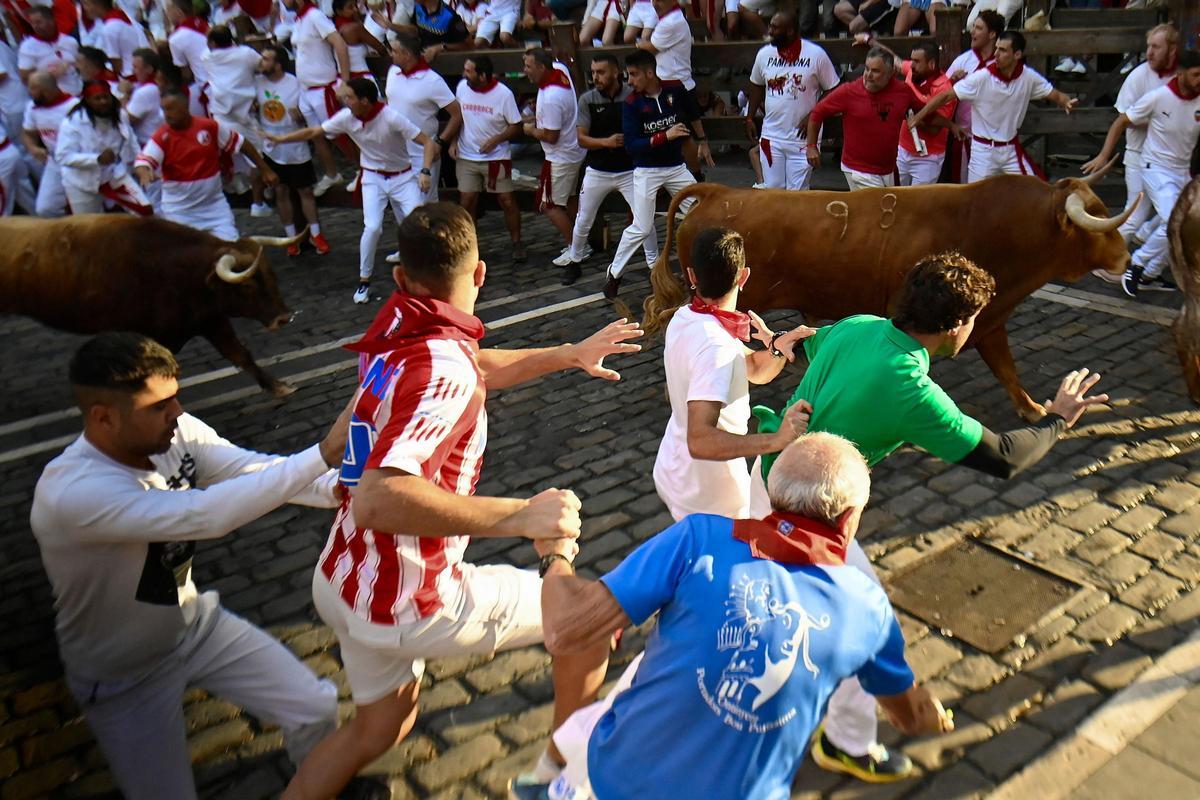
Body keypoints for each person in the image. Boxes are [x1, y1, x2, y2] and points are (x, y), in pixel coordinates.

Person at [279, 202, 644, 800]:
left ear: (402, 279)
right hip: (409, 599)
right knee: (587, 626)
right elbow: (379, 498)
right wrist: (521, 515)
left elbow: (468, 368)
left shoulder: (400, 332)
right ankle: (552, 782)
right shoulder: (442, 362)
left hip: (342, 582)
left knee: (379, 728)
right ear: (480, 275)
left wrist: (567, 353)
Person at [749, 252, 1108, 781]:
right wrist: (1057, 419)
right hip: (808, 518)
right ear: (957, 326)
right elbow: (1004, 456)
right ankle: (846, 741)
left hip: (768, 475)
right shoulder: (912, 391)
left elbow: (811, 347)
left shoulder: (860, 326)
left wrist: (789, 344)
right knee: (858, 626)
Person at [512, 432, 952, 800]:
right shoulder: (866, 605)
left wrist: (555, 556)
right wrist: (929, 716)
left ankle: (543, 781)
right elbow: (909, 715)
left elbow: (566, 629)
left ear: (773, 494)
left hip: (613, 782)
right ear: (850, 517)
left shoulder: (698, 537)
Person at [29, 332, 350, 800]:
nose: (177, 413)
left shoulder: (175, 431)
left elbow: (252, 472)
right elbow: (205, 514)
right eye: (159, 405)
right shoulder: (71, 493)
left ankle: (322, 788)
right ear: (103, 418)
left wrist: (339, 488)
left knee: (315, 707)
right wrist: (322, 454)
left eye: (177, 398)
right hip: (123, 673)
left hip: (195, 625)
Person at [645, 227, 814, 522]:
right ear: (743, 276)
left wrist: (775, 347)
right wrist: (778, 439)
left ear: (692, 275)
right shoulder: (715, 344)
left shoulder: (688, 316)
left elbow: (751, 369)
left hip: (675, 471)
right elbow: (701, 440)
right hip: (710, 498)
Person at [267, 77, 437, 304]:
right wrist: (280, 138)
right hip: (373, 177)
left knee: (417, 224)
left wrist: (425, 171)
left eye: (349, 97)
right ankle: (364, 280)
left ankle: (427, 275)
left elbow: (428, 142)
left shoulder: (391, 117)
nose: (344, 100)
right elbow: (313, 132)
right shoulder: (347, 118)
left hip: (403, 177)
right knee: (373, 226)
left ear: (365, 101)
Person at [1082, 49, 1200, 298]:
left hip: (1183, 172)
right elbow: (1121, 121)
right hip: (1155, 169)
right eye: (1197, 74)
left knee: (1189, 226)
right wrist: (1104, 156)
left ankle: (1149, 274)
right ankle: (1137, 263)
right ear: (1181, 73)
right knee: (1172, 221)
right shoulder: (1158, 97)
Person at [912, 31, 1076, 183]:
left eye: (1003, 50)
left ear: (1017, 54)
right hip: (983, 151)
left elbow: (1053, 93)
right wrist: (919, 117)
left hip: (1010, 148)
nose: (996, 54)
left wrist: (1065, 101)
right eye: (996, 48)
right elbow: (945, 96)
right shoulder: (982, 77)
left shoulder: (1028, 77)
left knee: (1033, 190)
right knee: (977, 200)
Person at [602, 49, 700, 299]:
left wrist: (704, 141)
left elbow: (694, 114)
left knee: (701, 211)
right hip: (646, 170)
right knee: (642, 227)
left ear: (649, 72)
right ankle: (614, 274)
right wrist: (662, 137)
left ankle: (701, 270)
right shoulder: (632, 103)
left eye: (634, 75)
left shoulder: (675, 90)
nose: (630, 81)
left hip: (676, 167)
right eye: (628, 75)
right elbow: (632, 145)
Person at [555, 54, 656, 284]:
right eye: (593, 72)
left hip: (630, 170)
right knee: (583, 219)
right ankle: (575, 260)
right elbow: (581, 138)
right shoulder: (587, 99)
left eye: (600, 72)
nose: (595, 77)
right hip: (598, 169)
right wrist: (606, 142)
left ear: (615, 72)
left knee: (644, 219)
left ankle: (654, 264)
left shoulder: (632, 96)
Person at [134, 89, 279, 241]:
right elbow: (144, 160)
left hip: (214, 207)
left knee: (230, 248)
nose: (166, 114)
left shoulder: (209, 127)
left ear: (184, 108)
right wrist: (144, 172)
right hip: (179, 212)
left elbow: (241, 143)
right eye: (163, 109)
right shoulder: (162, 136)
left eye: (170, 109)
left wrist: (265, 169)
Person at [806, 47, 924, 190]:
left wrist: (947, 124)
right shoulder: (849, 91)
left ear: (890, 73)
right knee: (876, 210)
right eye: (867, 69)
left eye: (875, 71)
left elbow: (923, 110)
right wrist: (811, 146)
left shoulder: (903, 91)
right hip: (858, 170)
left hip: (889, 168)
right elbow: (817, 112)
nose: (868, 75)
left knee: (887, 210)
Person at [1106, 23, 1178, 257]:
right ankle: (1107, 258)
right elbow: (1123, 117)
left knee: (1175, 209)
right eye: (1149, 46)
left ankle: (1143, 243)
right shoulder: (1138, 76)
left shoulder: (1182, 76)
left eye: (1156, 47)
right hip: (1139, 155)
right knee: (1134, 213)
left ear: (1172, 49)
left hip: (1170, 159)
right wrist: (1162, 122)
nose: (1150, 52)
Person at [745, 10, 838, 191]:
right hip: (772, 136)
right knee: (772, 190)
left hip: (802, 139)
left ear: (790, 31)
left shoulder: (816, 54)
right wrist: (749, 116)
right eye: (770, 26)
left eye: (775, 28)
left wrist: (813, 115)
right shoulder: (764, 54)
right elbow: (756, 84)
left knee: (798, 195)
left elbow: (833, 89)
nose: (770, 31)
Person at [256, 43, 331, 256]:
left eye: (266, 59)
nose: (262, 63)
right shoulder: (256, 83)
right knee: (280, 191)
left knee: (305, 190)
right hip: (271, 146)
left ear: (278, 64)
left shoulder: (295, 83)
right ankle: (290, 238)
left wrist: (300, 115)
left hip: (295, 145)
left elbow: (307, 112)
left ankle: (316, 234)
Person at [452, 55, 526, 261]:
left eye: (469, 71)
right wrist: (452, 142)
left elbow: (516, 126)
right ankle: (470, 247)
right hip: (467, 155)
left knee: (506, 200)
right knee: (466, 201)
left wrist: (497, 139)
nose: (464, 74)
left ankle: (517, 242)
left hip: (496, 157)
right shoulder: (461, 88)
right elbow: (457, 118)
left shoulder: (503, 94)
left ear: (482, 75)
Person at [864, 35, 957, 186]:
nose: (911, 65)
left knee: (917, 205)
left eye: (917, 61)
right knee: (894, 197)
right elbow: (894, 60)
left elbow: (934, 129)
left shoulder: (944, 89)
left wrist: (905, 112)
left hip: (928, 159)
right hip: (902, 150)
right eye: (912, 60)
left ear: (932, 64)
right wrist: (869, 40)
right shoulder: (912, 72)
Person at [283, 0, 352, 197]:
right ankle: (331, 173)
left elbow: (339, 43)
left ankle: (360, 170)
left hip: (323, 86)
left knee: (339, 134)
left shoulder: (315, 16)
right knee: (316, 135)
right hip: (306, 89)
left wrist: (344, 80)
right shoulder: (299, 19)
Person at [523, 48, 586, 264]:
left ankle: (576, 247)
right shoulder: (560, 69)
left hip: (561, 156)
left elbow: (550, 135)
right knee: (568, 199)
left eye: (529, 66)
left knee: (550, 205)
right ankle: (581, 241)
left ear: (542, 67)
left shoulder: (551, 98)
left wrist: (531, 130)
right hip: (572, 150)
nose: (525, 71)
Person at [384, 32, 462, 204]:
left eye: (394, 51)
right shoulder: (392, 72)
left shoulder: (432, 81)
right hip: (396, 152)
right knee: (399, 204)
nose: (391, 54)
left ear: (407, 54)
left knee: (424, 206)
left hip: (422, 154)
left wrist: (440, 142)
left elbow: (457, 114)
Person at [637, 0, 711, 176]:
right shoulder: (669, 18)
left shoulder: (671, 22)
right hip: (673, 83)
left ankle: (696, 177)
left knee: (683, 136)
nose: (655, 3)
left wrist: (639, 43)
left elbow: (649, 48)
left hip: (675, 86)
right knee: (671, 134)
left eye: (661, 0)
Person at [55, 80, 150, 214]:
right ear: (88, 100)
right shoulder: (72, 122)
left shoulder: (120, 115)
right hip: (82, 183)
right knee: (88, 228)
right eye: (97, 99)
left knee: (145, 210)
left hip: (114, 175)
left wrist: (141, 163)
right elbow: (63, 156)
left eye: (105, 97)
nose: (103, 102)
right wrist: (97, 159)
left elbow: (131, 141)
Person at [202, 25, 269, 213]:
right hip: (242, 115)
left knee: (223, 157)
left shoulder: (207, 58)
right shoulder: (246, 54)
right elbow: (262, 65)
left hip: (224, 116)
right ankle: (258, 202)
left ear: (213, 43)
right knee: (258, 157)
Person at [944, 9, 1003, 182]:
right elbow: (940, 93)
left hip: (993, 140)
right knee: (961, 191)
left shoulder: (1002, 64)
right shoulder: (963, 60)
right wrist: (952, 82)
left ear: (992, 34)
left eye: (978, 28)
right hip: (963, 137)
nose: (972, 32)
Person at [21, 70, 74, 217]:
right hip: (54, 162)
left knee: (84, 208)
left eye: (32, 88)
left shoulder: (74, 106)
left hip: (78, 162)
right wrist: (33, 148)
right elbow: (27, 133)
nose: (29, 92)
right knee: (45, 209)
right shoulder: (31, 107)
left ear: (45, 90)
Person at [17, 5, 82, 95]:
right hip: (53, 98)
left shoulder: (70, 41)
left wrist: (71, 64)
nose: (35, 26)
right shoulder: (27, 47)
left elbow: (80, 67)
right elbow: (25, 78)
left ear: (52, 20)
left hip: (78, 94)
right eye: (32, 23)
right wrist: (50, 75)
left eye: (39, 22)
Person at [84, 0, 149, 78]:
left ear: (97, 4)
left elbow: (117, 66)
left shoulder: (109, 28)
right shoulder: (124, 17)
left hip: (130, 76)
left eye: (86, 4)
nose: (84, 9)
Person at [166, 0, 211, 88]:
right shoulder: (205, 23)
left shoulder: (176, 38)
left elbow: (186, 73)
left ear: (178, 12)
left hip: (207, 85)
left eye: (168, 11)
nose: (167, 15)